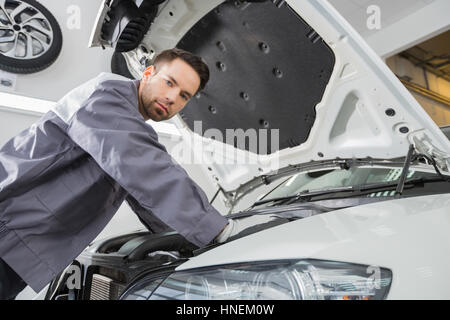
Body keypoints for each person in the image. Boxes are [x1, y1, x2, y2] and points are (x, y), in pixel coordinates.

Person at [0, 48, 249, 300]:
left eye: (184, 95)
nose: (173, 97)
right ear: (148, 73)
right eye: (169, 82)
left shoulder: (130, 126)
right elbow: (147, 170)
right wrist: (218, 230)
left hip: (22, 241)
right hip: (10, 225)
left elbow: (145, 198)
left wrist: (193, 245)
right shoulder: (106, 95)